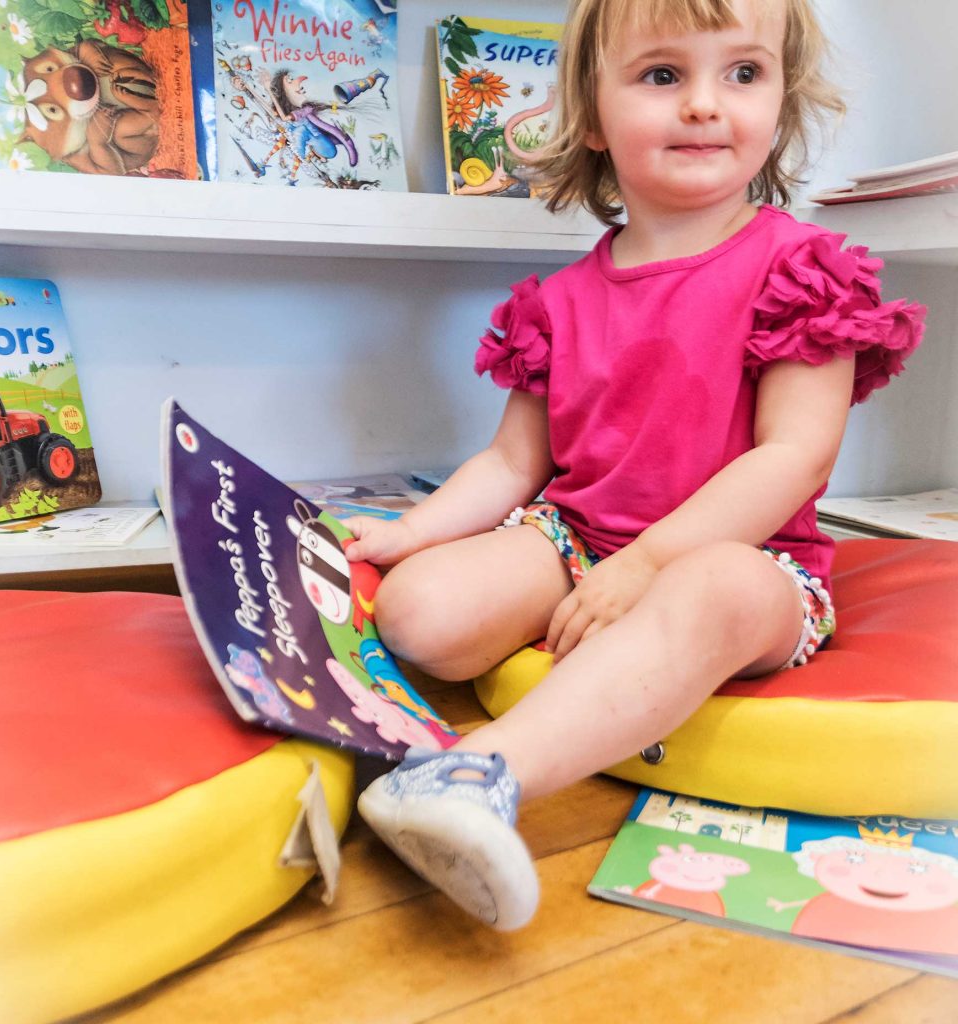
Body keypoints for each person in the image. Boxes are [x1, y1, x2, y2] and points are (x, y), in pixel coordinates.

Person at [345, 0, 926, 931]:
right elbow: (510, 461)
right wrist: (406, 536)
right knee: (423, 612)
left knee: (717, 592)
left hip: (750, 558)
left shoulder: (801, 267)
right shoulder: (560, 300)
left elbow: (795, 452)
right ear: (589, 114)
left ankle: (476, 773)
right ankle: (490, 720)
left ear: (781, 96)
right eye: (663, 76)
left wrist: (651, 565)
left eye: (743, 73)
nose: (705, 104)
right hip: (577, 539)